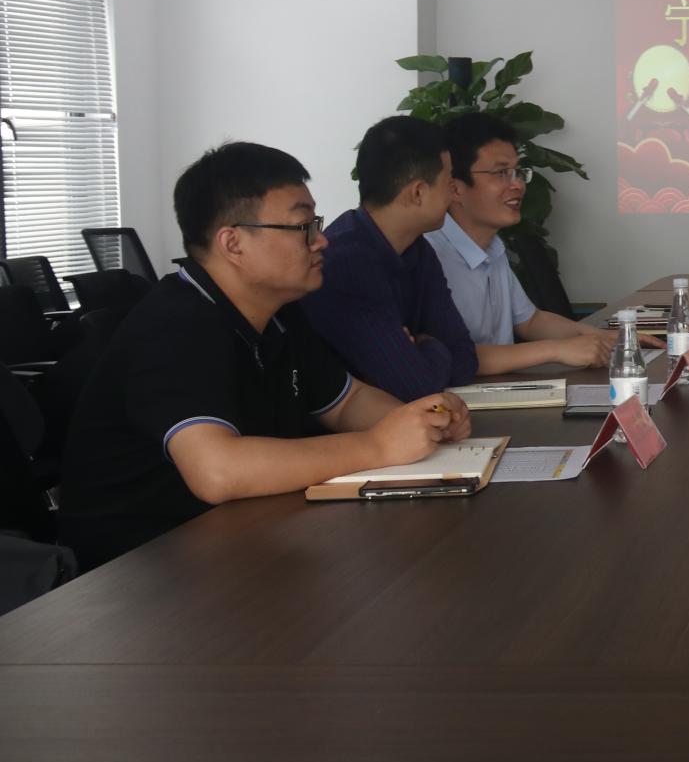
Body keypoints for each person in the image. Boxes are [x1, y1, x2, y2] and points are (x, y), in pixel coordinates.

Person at [58, 143, 472, 570]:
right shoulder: (176, 325)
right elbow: (218, 471)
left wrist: (423, 420)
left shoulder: (279, 313)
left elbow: (347, 401)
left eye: (316, 223)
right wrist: (378, 445)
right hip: (138, 566)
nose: (322, 240)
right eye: (302, 227)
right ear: (233, 243)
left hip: (239, 535)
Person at [427, 114, 642, 373]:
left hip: (499, 390)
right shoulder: (429, 255)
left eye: (518, 172)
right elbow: (452, 356)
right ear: (455, 188)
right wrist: (557, 350)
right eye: (501, 173)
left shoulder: (493, 247)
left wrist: (602, 338)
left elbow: (530, 321)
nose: (517, 185)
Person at [303, 115, 477, 401]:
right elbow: (415, 387)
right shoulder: (345, 262)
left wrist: (418, 349)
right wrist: (429, 344)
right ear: (418, 192)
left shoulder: (418, 248)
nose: (454, 192)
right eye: (449, 182)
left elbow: (465, 359)